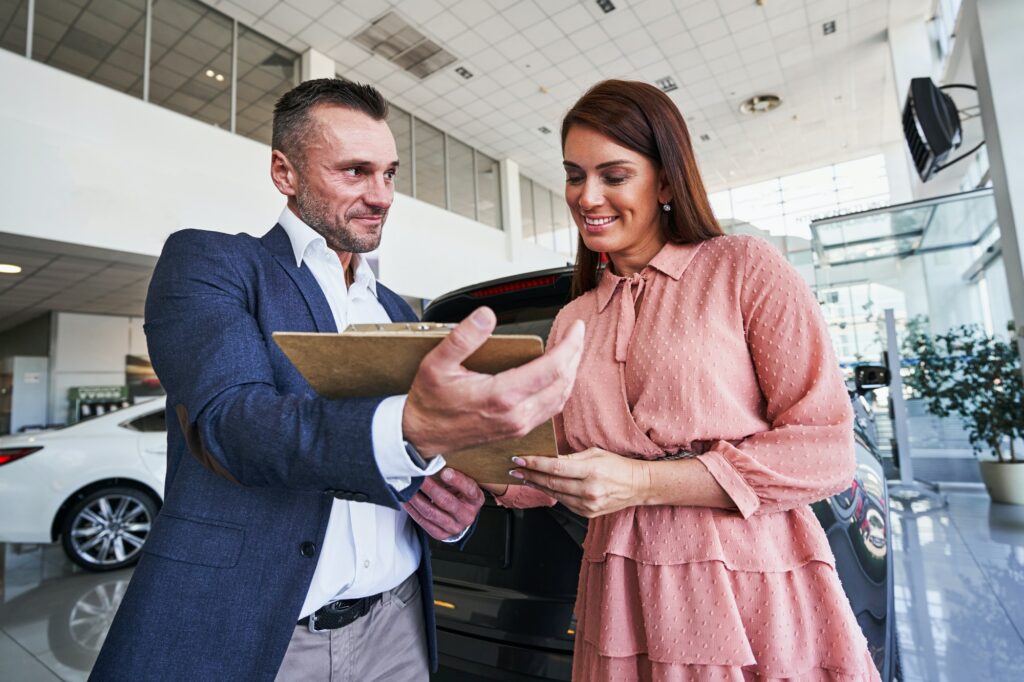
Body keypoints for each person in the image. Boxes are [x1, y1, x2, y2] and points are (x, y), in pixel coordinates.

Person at [89, 78, 584, 682]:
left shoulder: (400, 312)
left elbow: (416, 465)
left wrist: (454, 507)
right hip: (262, 632)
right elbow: (232, 422)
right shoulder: (215, 265)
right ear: (284, 172)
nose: (382, 196)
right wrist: (409, 425)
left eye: (390, 173)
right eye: (355, 172)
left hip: (397, 621)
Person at [489, 80, 881, 681]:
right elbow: (554, 464)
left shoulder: (743, 268)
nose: (586, 196)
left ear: (666, 181)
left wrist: (642, 482)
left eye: (613, 176)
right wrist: (458, 456)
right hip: (621, 590)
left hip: (744, 579)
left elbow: (825, 451)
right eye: (574, 175)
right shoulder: (573, 318)